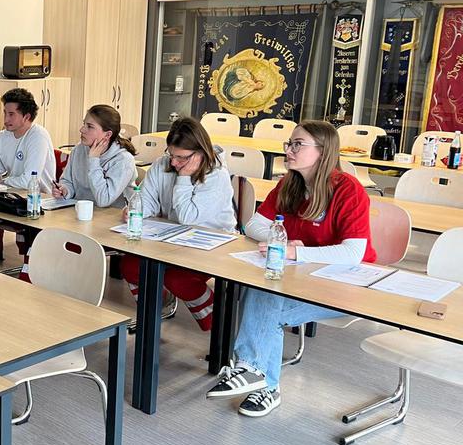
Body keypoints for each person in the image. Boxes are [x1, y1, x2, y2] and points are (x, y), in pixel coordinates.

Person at [206, 120, 376, 417]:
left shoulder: (348, 190)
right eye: (289, 143)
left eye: (298, 144)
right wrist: (280, 240)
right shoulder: (289, 184)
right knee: (265, 292)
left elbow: (353, 253)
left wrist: (295, 251)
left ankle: (255, 375)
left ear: (323, 151)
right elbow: (254, 224)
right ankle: (259, 379)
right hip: (298, 279)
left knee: (265, 303)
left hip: (346, 285)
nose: (289, 150)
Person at [119, 116, 235, 332]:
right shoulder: (163, 164)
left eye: (181, 158)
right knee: (131, 265)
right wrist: (136, 210)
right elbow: (147, 199)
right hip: (173, 239)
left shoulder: (217, 175)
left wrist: (183, 178)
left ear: (200, 153)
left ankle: (216, 320)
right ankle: (157, 307)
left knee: (178, 278)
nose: (173, 162)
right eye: (171, 154)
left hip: (212, 244)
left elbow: (188, 218)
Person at [53, 104, 137, 208]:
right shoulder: (79, 149)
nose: (82, 129)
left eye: (90, 127)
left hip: (111, 215)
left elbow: (104, 200)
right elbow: (67, 181)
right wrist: (65, 190)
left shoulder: (123, 160)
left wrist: (93, 160)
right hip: (80, 211)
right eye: (84, 124)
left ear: (107, 135)